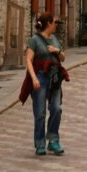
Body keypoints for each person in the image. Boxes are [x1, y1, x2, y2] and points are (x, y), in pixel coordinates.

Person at [25, 10, 66, 155]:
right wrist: (34, 78)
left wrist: (57, 51)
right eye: (54, 23)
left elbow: (62, 58)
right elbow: (28, 60)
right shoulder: (34, 40)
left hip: (54, 78)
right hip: (40, 77)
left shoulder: (55, 39)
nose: (56, 25)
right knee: (40, 112)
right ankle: (40, 143)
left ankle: (53, 140)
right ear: (49, 23)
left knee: (56, 108)